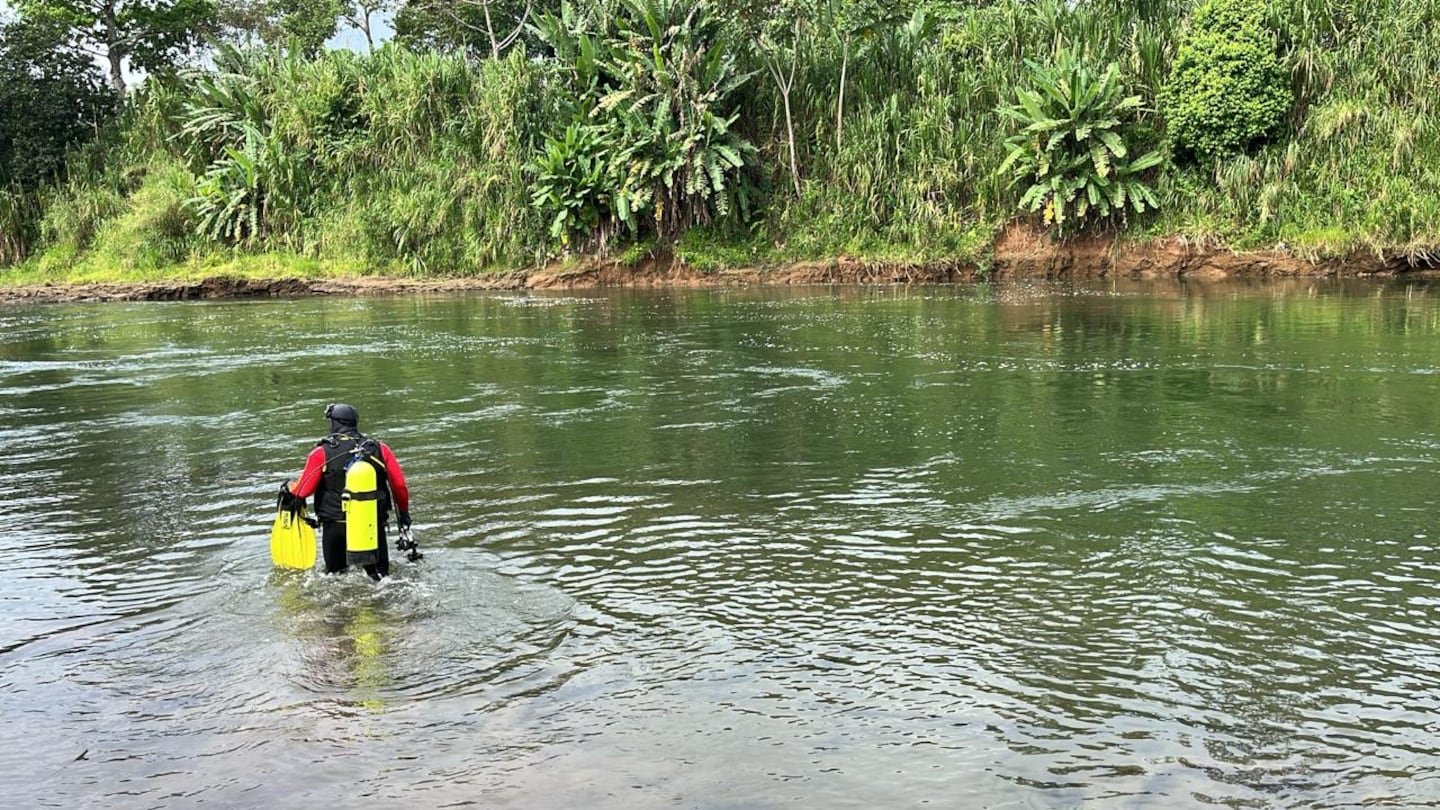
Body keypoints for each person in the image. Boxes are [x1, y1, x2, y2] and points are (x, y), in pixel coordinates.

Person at [279, 403, 412, 580]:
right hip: (371, 523)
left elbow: (303, 491)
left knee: (336, 578)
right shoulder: (380, 449)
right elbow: (400, 487)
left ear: (333, 423)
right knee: (380, 578)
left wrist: (289, 488)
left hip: (335, 525)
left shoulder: (321, 452)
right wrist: (403, 513)